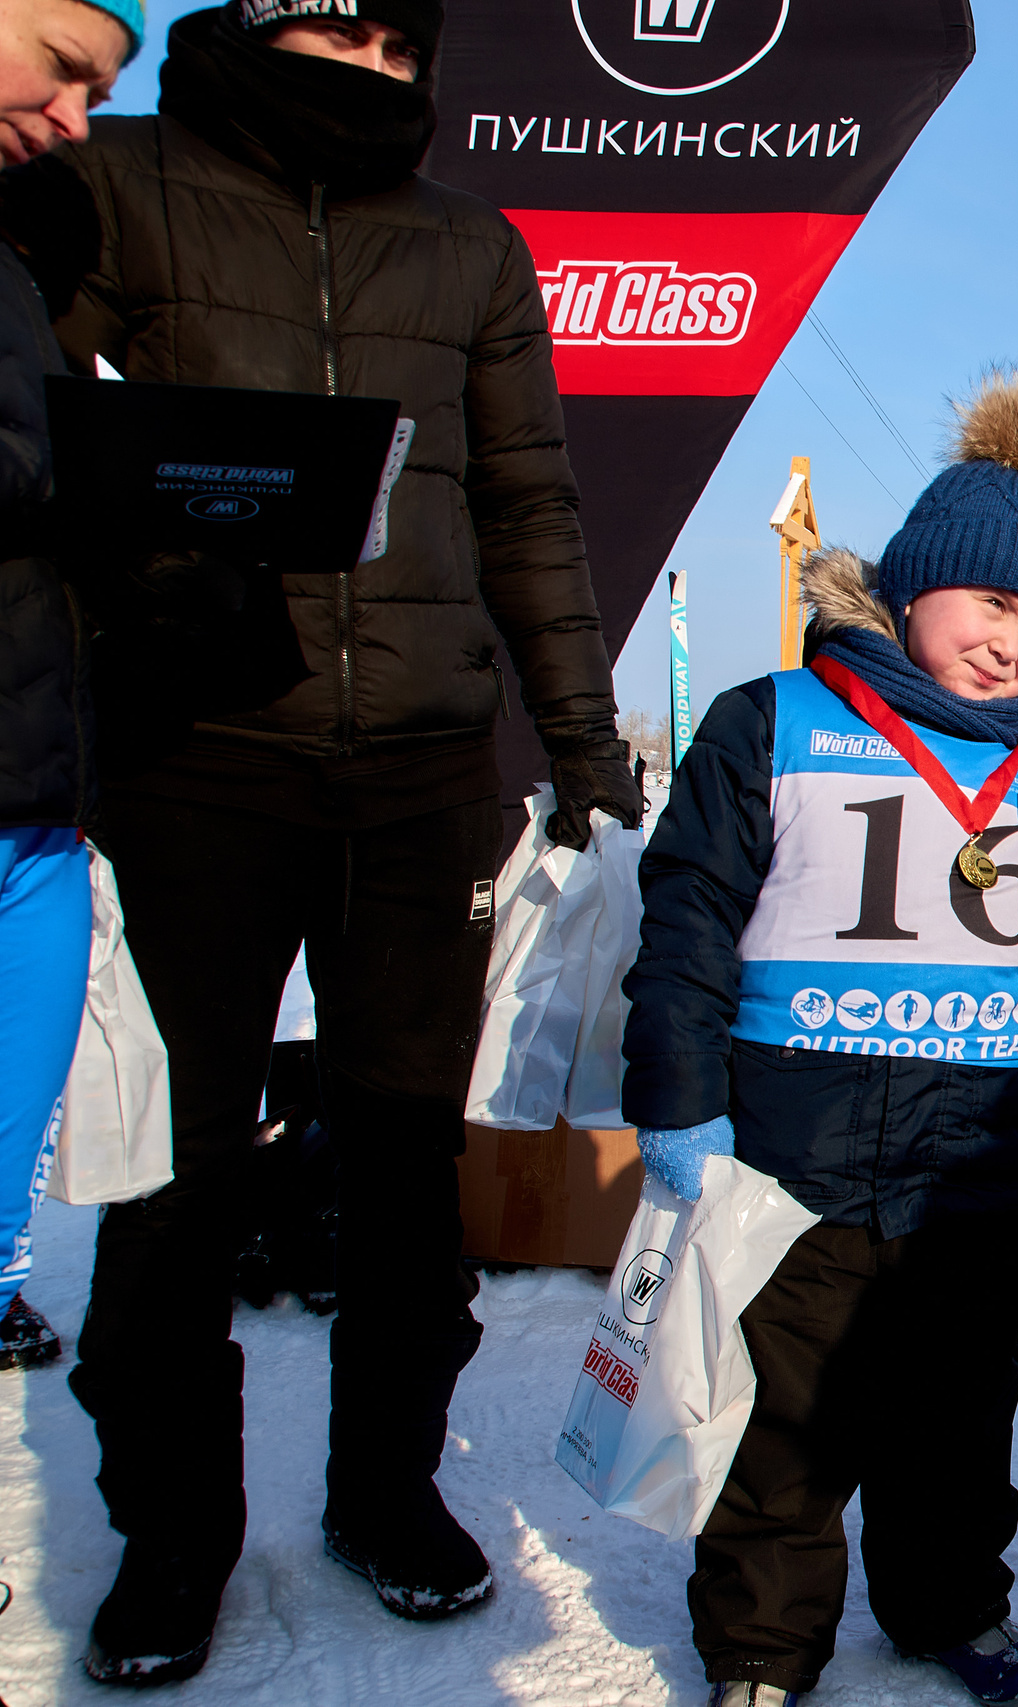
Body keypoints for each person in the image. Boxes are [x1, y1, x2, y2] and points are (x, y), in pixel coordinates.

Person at [47, 0, 644, 1685]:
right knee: (174, 1164)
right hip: (195, 760)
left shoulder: (470, 244)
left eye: (396, 48)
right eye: (329, 28)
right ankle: (173, 1525)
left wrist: (582, 740)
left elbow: (529, 499)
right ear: (246, 23)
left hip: (424, 768)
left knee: (401, 1156)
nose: (363, 72)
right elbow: (29, 423)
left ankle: (386, 1490)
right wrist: (134, 570)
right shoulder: (119, 181)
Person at [623, 370, 1018, 1707]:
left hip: (973, 1167)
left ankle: (948, 1603)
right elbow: (690, 914)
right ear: (917, 583)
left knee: (953, 1416)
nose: (1013, 639)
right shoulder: (771, 720)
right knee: (781, 1423)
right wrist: (679, 1093)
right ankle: (764, 1640)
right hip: (789, 1148)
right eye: (991, 601)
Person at [0, 0, 143, 1376]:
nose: (73, 123)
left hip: (35, 770)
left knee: (18, 1077)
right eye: (63, 70)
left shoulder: (18, 257)